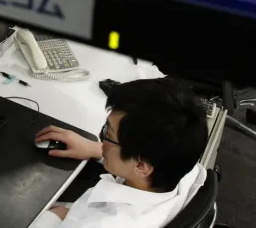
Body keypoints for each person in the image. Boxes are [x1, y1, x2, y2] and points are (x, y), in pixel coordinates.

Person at [30, 78, 209, 228]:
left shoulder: (103, 223)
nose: (102, 141)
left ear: (141, 166)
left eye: (108, 134)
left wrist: (56, 215)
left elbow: (67, 216)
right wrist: (94, 149)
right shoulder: (186, 167)